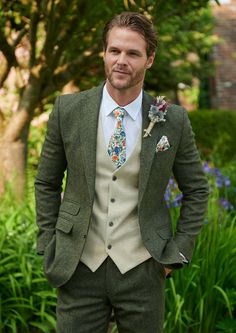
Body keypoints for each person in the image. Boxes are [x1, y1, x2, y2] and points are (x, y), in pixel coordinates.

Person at [35, 12, 208, 333]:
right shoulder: (68, 110)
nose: (121, 61)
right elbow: (46, 181)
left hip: (143, 267)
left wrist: (177, 251)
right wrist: (49, 243)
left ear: (150, 59)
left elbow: (197, 190)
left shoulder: (173, 120)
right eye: (114, 51)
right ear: (104, 53)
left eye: (133, 53)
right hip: (79, 265)